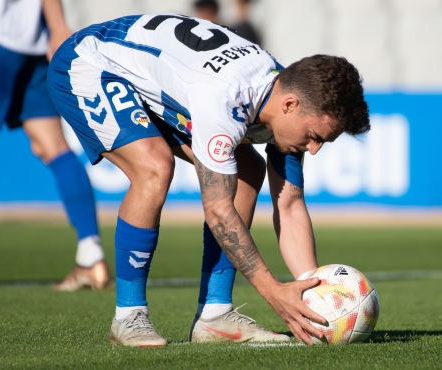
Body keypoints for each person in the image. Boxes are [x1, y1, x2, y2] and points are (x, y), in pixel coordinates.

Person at [47, 14, 370, 346]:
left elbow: (288, 205)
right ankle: (128, 317)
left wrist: (311, 296)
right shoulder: (225, 100)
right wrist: (273, 291)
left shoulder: (289, 97)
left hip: (161, 79)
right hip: (90, 60)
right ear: (290, 105)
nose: (313, 149)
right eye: (314, 136)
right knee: (154, 167)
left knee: (247, 170)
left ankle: (215, 316)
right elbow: (218, 211)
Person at [0, 0, 110, 291]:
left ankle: (91, 257)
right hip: (34, 45)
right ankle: (91, 256)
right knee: (53, 146)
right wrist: (56, 26)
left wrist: (56, 26)